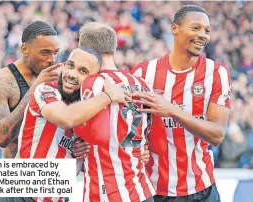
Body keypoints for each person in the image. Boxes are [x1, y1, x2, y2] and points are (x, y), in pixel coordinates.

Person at [131, 5, 231, 202]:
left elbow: (217, 134)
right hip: (155, 189)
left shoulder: (216, 73)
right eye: (196, 28)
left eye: (207, 30)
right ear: (174, 29)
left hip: (202, 189)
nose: (203, 35)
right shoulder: (143, 73)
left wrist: (172, 111)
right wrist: (137, 150)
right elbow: (132, 130)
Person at [14, 46, 130, 202]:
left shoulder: (89, 107)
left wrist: (75, 153)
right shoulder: (46, 89)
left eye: (83, 71)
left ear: (91, 80)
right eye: (70, 65)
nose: (71, 74)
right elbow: (66, 118)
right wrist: (108, 95)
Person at [73, 22, 158, 202]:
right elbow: (147, 133)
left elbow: (83, 128)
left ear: (86, 52)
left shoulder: (93, 83)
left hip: (107, 191)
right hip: (142, 190)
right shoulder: (142, 84)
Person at [0, 21, 60, 158]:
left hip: (50, 170)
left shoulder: (55, 77)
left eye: (56, 53)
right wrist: (34, 88)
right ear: (25, 49)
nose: (52, 60)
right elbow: (1, 137)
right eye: (45, 53)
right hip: (19, 173)